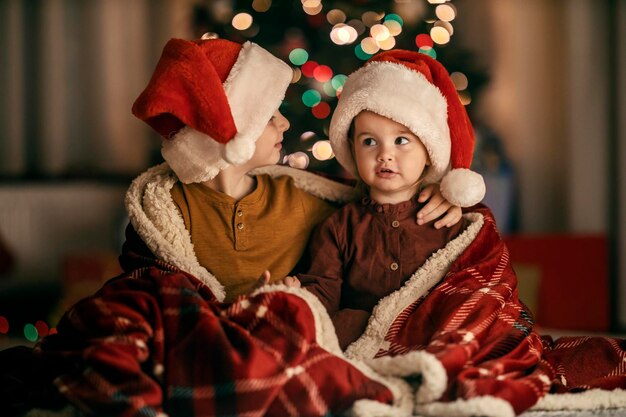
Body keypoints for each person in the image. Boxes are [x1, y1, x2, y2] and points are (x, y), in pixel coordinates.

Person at [0, 36, 463, 417]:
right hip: (195, 332)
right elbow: (146, 284)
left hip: (268, 334)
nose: (284, 121)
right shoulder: (168, 208)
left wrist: (445, 192)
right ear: (231, 131)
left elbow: (384, 204)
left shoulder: (303, 198)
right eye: (267, 115)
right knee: (119, 318)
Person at [278, 49, 486, 350]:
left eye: (401, 140)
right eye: (369, 141)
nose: (384, 154)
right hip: (361, 347)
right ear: (352, 148)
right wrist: (298, 299)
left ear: (429, 151)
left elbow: (468, 291)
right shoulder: (339, 227)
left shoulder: (446, 219)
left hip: (431, 343)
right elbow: (321, 297)